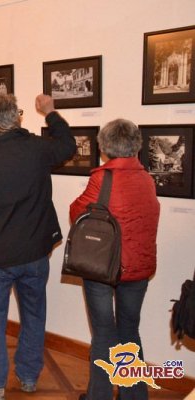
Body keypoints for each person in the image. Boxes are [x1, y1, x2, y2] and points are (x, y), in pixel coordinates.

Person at [0, 94, 76, 400]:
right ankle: (27, 377)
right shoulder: (37, 148)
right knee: (34, 316)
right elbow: (68, 145)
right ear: (16, 117)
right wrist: (51, 113)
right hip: (35, 253)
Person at [70, 120, 160, 400]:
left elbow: (77, 212)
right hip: (139, 267)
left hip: (103, 265)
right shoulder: (147, 178)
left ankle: (99, 396)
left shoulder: (102, 178)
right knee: (130, 331)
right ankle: (134, 396)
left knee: (104, 333)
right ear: (136, 145)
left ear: (104, 146)